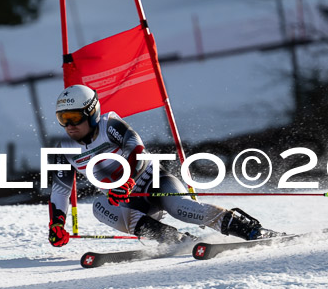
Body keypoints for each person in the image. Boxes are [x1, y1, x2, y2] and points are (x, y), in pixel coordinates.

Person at [47, 84, 285, 247]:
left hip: (154, 182)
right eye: (62, 119)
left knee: (182, 209)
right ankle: (177, 241)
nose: (69, 125)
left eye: (74, 117)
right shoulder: (64, 148)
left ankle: (251, 230)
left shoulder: (111, 124)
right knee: (100, 207)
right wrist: (57, 224)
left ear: (92, 112)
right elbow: (60, 191)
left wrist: (127, 179)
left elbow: (137, 151)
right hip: (127, 200)